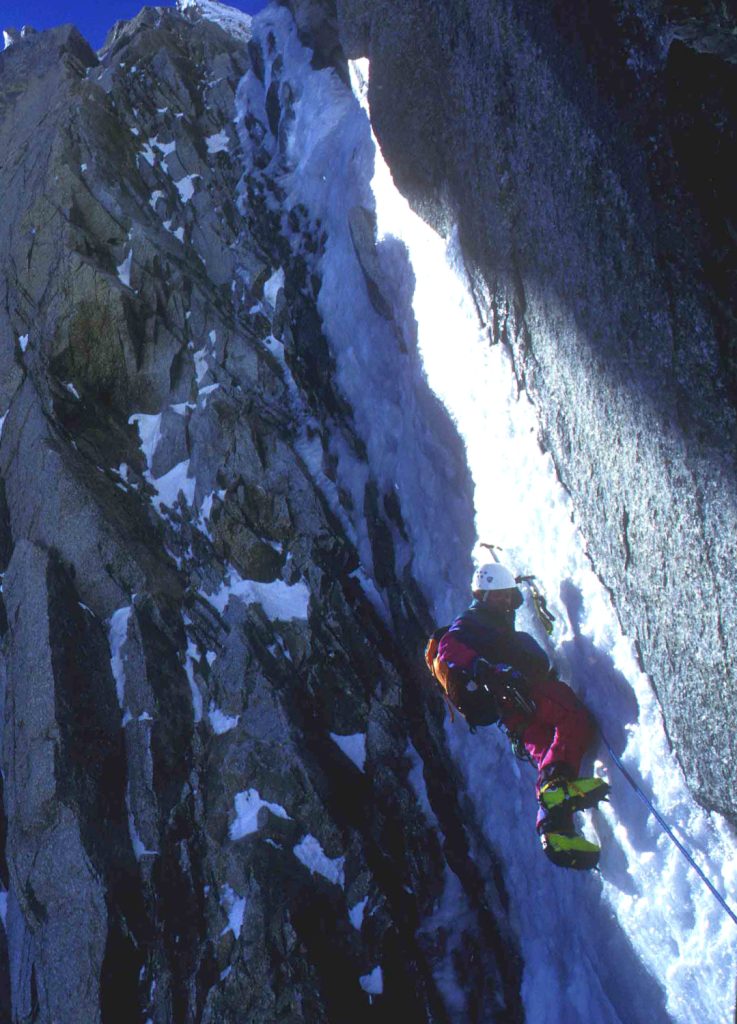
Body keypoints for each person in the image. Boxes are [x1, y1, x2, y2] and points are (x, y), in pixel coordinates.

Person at [425, 562, 609, 870]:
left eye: (507, 597)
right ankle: (557, 799)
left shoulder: (492, 622)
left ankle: (554, 828)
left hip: (512, 712)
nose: (504, 602)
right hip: (524, 692)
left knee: (548, 752)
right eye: (497, 596)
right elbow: (448, 646)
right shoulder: (473, 620)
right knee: (574, 719)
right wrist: (487, 669)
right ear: (480, 596)